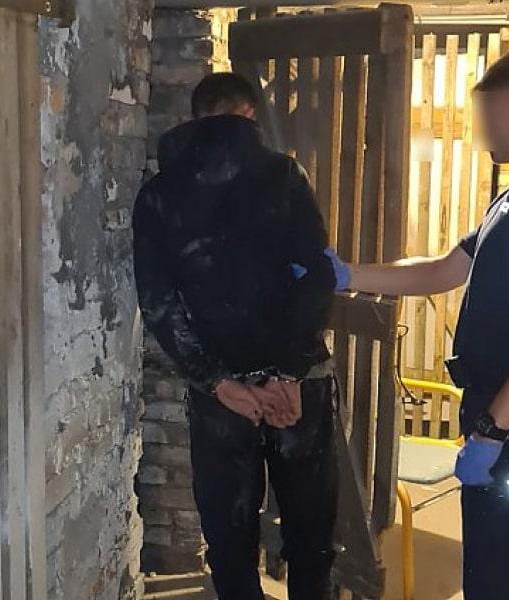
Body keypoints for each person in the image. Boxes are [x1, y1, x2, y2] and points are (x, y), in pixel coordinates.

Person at [328, 49, 509, 599]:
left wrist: (494, 430)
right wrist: (348, 274)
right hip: (505, 411)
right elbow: (444, 269)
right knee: (494, 561)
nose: (480, 133)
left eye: (483, 116)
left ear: (508, 106)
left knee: (505, 570)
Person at [132, 72, 338, 600]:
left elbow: (158, 306)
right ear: (250, 115)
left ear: (198, 116)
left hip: (222, 399)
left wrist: (221, 384)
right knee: (311, 540)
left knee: (229, 543)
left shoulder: (159, 194)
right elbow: (317, 275)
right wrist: (288, 374)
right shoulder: (285, 176)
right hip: (298, 389)